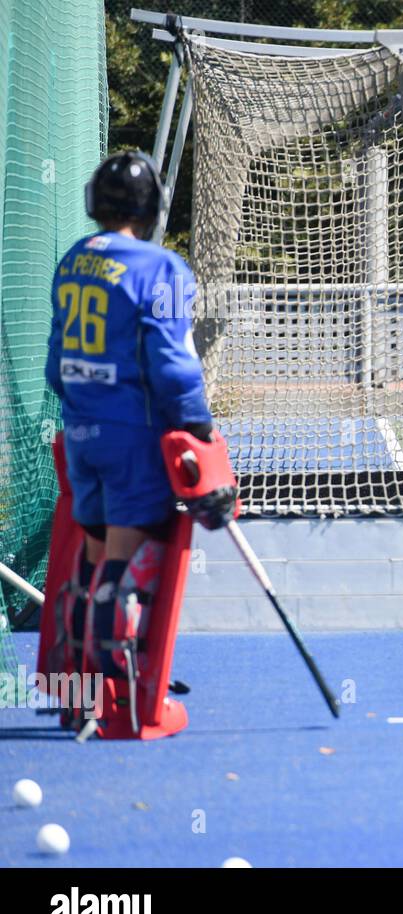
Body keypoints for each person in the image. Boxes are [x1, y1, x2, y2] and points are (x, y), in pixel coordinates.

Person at [45, 150, 233, 678]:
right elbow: (172, 365)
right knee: (124, 561)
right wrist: (197, 424)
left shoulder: (74, 260)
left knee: (95, 552)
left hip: (82, 431)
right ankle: (119, 685)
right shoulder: (160, 267)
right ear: (150, 206)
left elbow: (57, 362)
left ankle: (76, 674)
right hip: (132, 433)